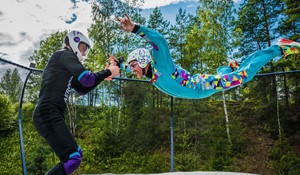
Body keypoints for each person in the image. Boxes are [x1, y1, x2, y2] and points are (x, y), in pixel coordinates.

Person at [22, 30, 119, 175]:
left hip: (51, 114)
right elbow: (87, 78)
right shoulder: (63, 55)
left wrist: (104, 75)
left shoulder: (65, 64)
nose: (84, 53)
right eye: (83, 48)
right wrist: (107, 72)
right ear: (73, 43)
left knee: (75, 154)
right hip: (47, 113)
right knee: (72, 157)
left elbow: (83, 88)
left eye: (86, 50)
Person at [109, 14, 300, 99]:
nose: (132, 70)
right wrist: (119, 64)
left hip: (203, 85)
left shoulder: (161, 64)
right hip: (203, 89)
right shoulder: (149, 73)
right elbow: (129, 68)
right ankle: (229, 68)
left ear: (144, 61)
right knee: (228, 77)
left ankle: (279, 48)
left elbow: (159, 40)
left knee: (245, 76)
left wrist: (135, 28)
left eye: (134, 65)